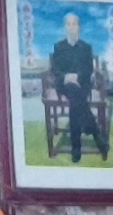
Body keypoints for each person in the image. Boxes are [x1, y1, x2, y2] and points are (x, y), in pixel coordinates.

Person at [47, 11, 105, 161]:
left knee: (75, 102)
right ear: (65, 27)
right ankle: (95, 132)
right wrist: (67, 77)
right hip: (64, 85)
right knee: (74, 93)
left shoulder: (86, 47)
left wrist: (77, 77)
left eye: (74, 24)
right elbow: (55, 69)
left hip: (82, 84)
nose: (71, 27)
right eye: (69, 24)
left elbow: (88, 69)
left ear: (79, 27)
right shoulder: (59, 46)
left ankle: (76, 146)